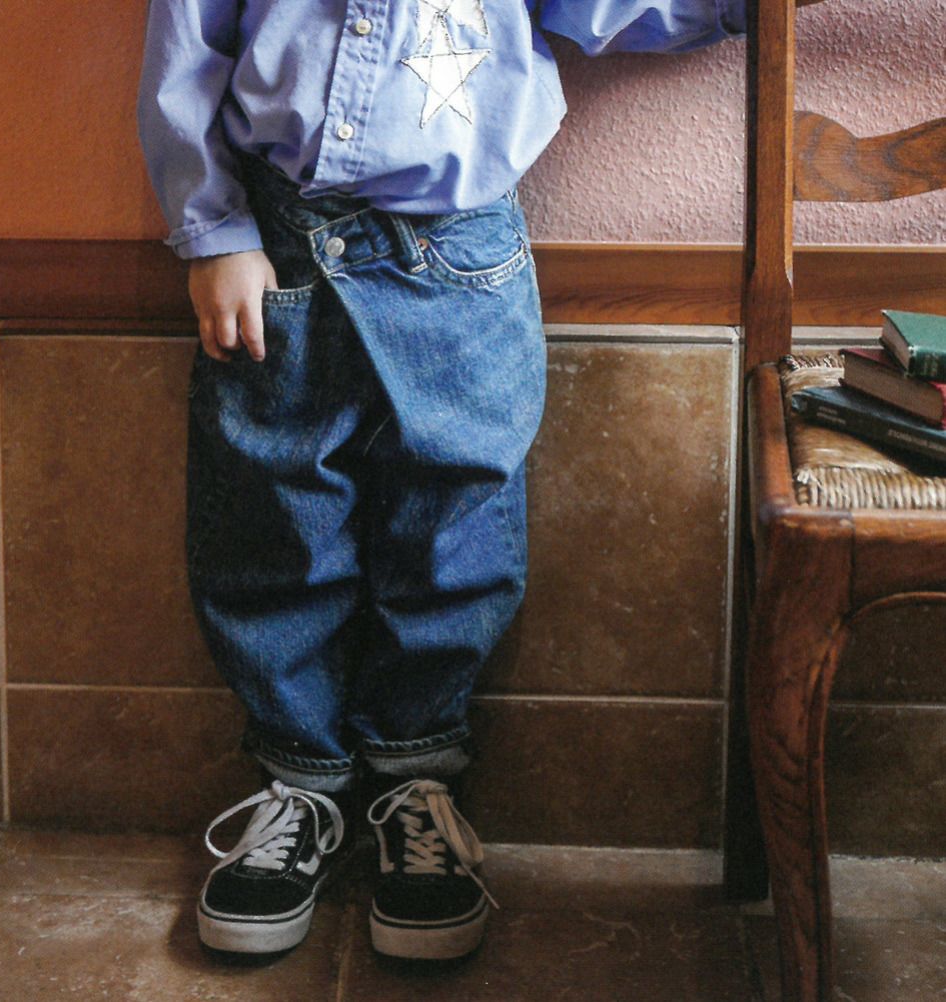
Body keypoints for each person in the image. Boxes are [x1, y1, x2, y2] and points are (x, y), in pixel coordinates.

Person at [136, 0, 748, 963]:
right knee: (273, 521)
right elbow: (185, 52)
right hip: (273, 248)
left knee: (455, 526)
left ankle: (415, 781)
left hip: (461, 249)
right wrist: (213, 231)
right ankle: (300, 780)